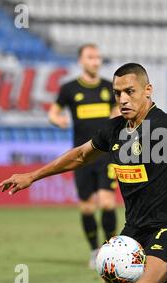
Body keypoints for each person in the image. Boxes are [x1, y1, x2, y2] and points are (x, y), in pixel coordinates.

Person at [0, 63, 167, 283]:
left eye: (130, 91)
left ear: (148, 90)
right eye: (117, 93)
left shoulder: (165, 127)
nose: (122, 99)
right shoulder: (115, 129)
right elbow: (81, 155)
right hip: (135, 227)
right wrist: (31, 176)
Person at [48, 43, 118, 268]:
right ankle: (94, 250)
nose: (95, 61)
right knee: (87, 207)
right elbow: (53, 112)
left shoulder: (109, 87)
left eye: (97, 57)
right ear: (81, 61)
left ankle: (109, 250)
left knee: (108, 203)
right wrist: (58, 120)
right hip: (81, 156)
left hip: (106, 154)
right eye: (90, 57)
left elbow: (117, 112)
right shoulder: (69, 89)